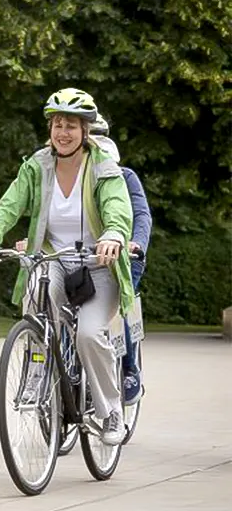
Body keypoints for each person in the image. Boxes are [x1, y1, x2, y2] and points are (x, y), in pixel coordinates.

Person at [0, 88, 135, 446]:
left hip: (98, 264)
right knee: (35, 296)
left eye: (71, 126)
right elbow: (9, 207)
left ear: (85, 131)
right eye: (57, 124)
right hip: (53, 260)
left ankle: (111, 412)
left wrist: (113, 235)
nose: (63, 132)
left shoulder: (104, 167)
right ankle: (37, 370)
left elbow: (119, 210)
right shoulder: (37, 166)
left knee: (89, 334)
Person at [89, 114, 150, 405]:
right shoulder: (69, 171)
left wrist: (135, 241)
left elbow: (140, 214)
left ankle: (129, 370)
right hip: (85, 255)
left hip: (123, 253)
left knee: (116, 306)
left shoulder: (123, 175)